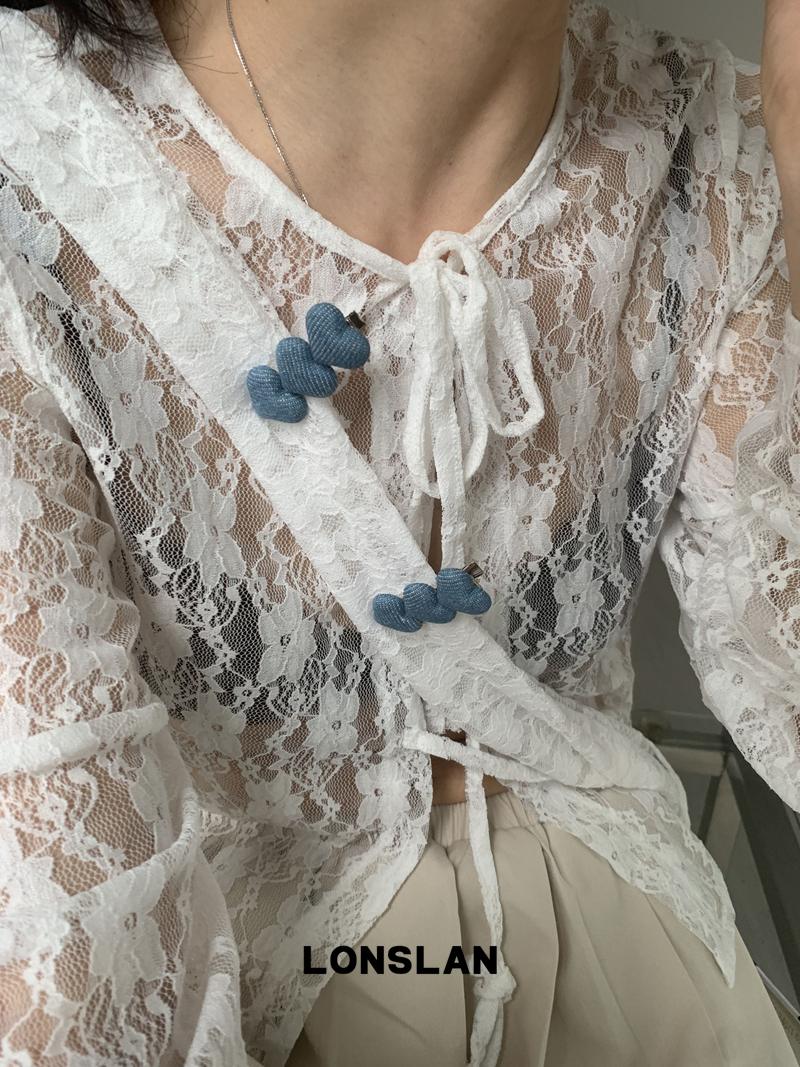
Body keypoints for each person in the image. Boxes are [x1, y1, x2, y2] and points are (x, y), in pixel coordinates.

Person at [0, 0, 798, 1062]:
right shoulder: (33, 179)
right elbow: (75, 980)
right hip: (247, 972)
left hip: (649, 945)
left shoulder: (724, 147)